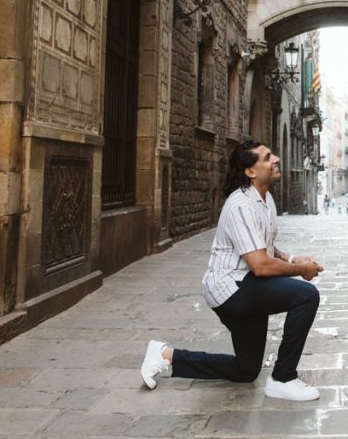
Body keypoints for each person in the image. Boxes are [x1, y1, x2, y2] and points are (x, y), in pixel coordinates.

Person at [139, 139, 325, 401]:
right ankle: (284, 378)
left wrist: (293, 258)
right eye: (268, 157)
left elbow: (263, 246)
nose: (276, 160)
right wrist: (300, 270)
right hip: (232, 289)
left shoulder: (264, 198)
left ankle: (166, 355)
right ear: (250, 172)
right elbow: (260, 265)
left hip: (249, 286)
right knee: (306, 295)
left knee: (246, 369)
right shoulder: (240, 205)